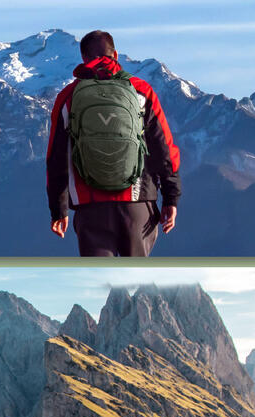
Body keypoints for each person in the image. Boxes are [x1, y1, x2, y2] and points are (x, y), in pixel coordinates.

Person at [46, 30, 181, 257]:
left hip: (90, 208)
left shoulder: (68, 96)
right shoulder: (142, 91)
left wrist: (58, 210)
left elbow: (56, 158)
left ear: (84, 59)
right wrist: (171, 197)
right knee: (135, 280)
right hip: (138, 204)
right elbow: (164, 149)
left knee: (100, 278)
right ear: (116, 54)